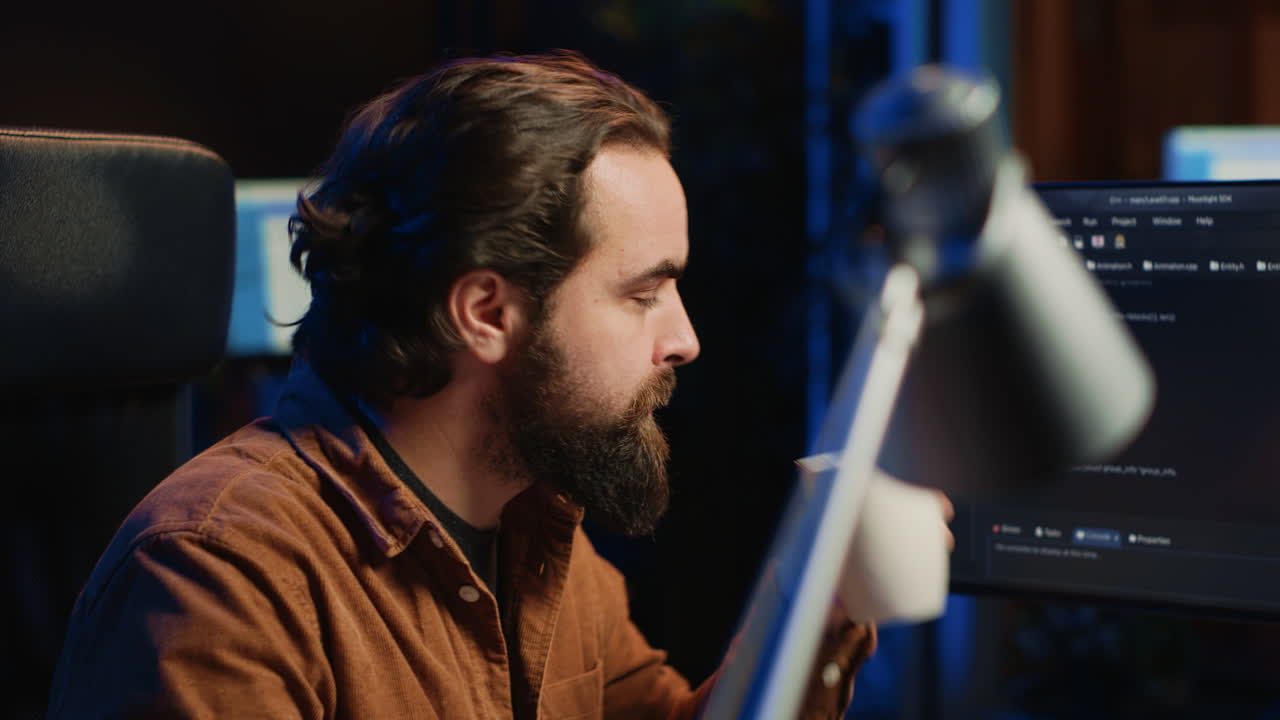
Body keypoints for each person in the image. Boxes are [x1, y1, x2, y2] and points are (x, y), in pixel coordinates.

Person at [47, 50, 877, 719]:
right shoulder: (220, 579)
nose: (684, 339)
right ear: (485, 312)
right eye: (642, 294)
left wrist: (817, 603)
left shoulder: (537, 529)